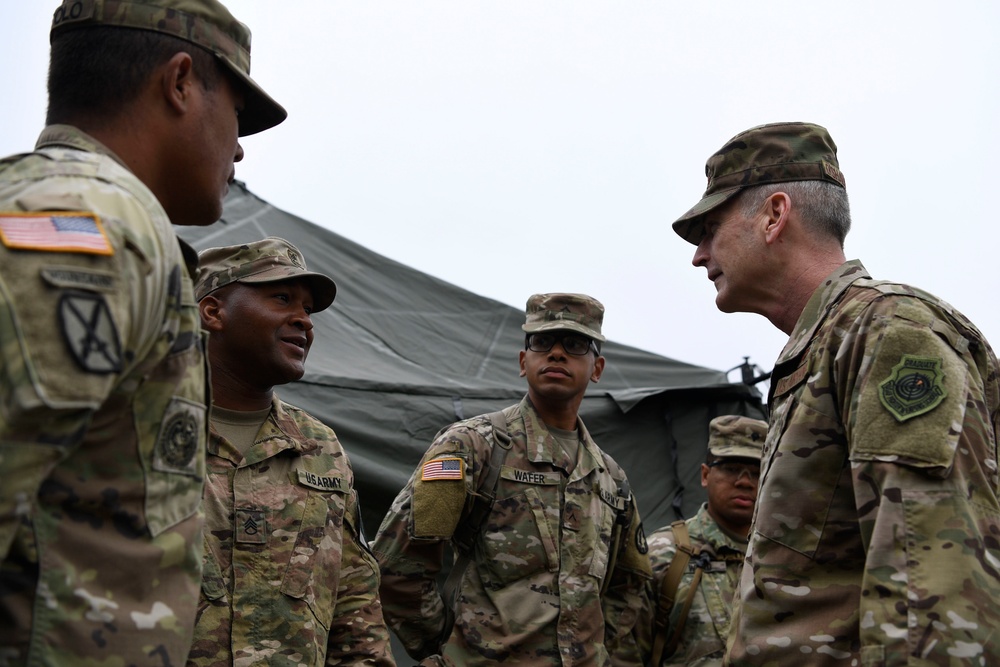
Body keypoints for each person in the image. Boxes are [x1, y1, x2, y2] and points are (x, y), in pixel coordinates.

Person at [0, 1, 285, 664]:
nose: (239, 148)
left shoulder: (80, 213)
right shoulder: (90, 225)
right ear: (181, 81)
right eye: (239, 115)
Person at [670, 121, 1000, 665]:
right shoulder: (823, 347)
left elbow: (931, 589)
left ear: (775, 216)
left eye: (710, 228)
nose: (700, 255)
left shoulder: (890, 333)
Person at [372, 293, 652, 666]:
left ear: (597, 367)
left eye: (574, 344)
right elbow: (396, 568)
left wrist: (595, 651)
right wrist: (449, 646)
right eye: (541, 342)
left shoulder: (611, 480)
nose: (556, 353)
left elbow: (628, 585)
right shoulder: (474, 446)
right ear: (524, 361)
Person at [188, 237, 396, 666]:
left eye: (308, 309)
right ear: (214, 312)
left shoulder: (319, 446)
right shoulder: (136, 428)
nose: (304, 321)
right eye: (283, 298)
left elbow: (355, 598)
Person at [637, 415, 766, 667]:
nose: (745, 482)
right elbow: (625, 654)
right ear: (705, 475)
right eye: (730, 469)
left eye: (758, 471)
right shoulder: (663, 553)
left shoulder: (785, 558)